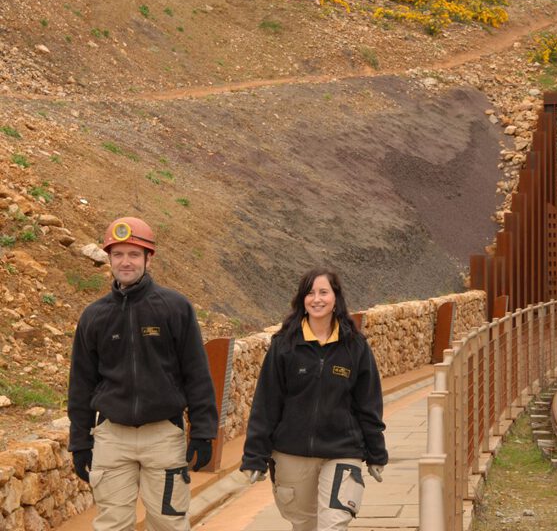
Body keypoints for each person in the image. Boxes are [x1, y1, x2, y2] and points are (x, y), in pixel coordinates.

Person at [67, 216, 218, 531]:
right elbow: (81, 383)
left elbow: (197, 373)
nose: (126, 262)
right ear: (108, 257)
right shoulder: (94, 316)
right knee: (112, 525)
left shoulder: (175, 307)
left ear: (149, 258)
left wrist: (204, 432)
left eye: (134, 254)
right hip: (111, 438)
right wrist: (80, 441)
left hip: (163, 437)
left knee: (169, 523)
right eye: (118, 254)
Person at [240, 267, 388, 531]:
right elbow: (266, 404)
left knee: (332, 526)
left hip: (342, 452)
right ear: (301, 300)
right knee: (305, 526)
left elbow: (368, 404)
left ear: (336, 299)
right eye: (310, 293)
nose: (317, 299)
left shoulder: (355, 346)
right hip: (291, 454)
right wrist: (255, 456)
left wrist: (376, 453)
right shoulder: (284, 345)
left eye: (323, 292)